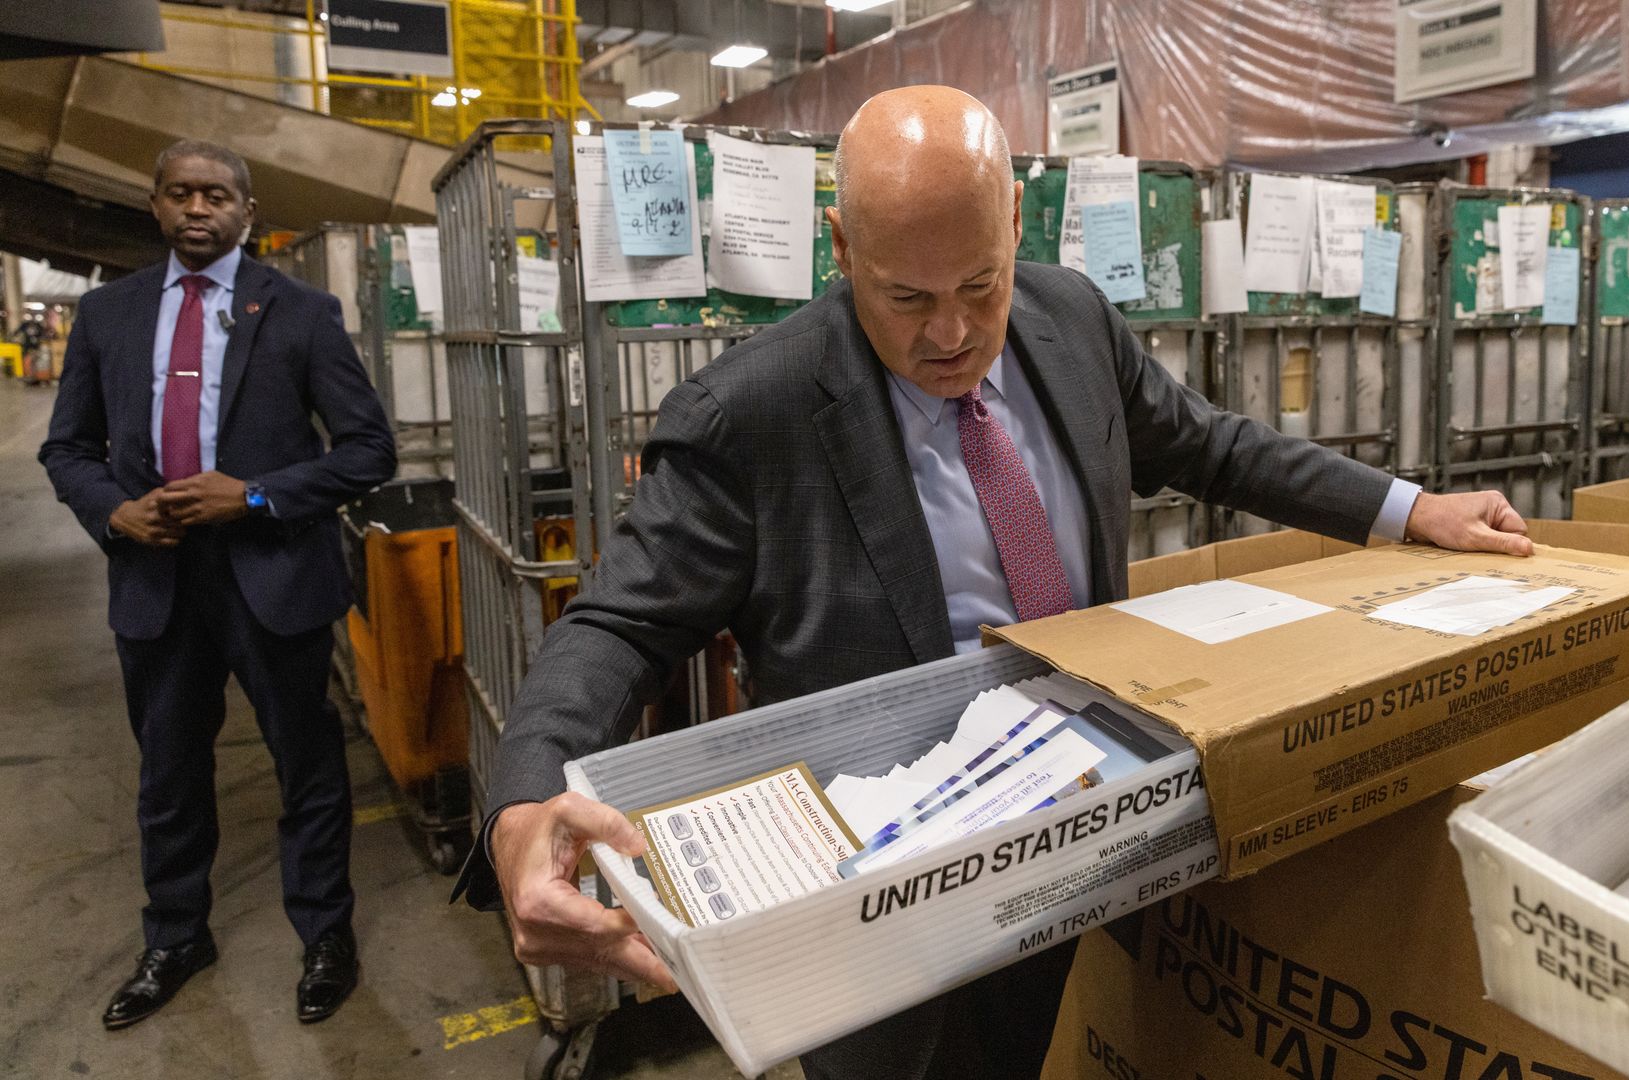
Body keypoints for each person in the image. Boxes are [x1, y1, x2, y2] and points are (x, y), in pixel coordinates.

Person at [454, 86, 1532, 1079]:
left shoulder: (1073, 326)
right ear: (840, 247)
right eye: (906, 297)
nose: (954, 333)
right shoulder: (753, 417)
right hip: (888, 924)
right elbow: (617, 626)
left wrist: (1410, 508)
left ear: (1018, 223)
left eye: (980, 283)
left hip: (1098, 849)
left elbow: (1216, 449)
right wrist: (527, 792)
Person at [39, 139, 396, 1030]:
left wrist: (260, 495)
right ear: (155, 206)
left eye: (217, 196)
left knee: (307, 768)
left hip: (271, 577)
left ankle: (325, 937)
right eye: (180, 194)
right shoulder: (106, 315)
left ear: (247, 211)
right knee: (166, 773)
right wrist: (114, 515)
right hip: (155, 579)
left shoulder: (302, 312)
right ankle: (175, 935)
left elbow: (367, 451)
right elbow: (67, 449)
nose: (198, 209)